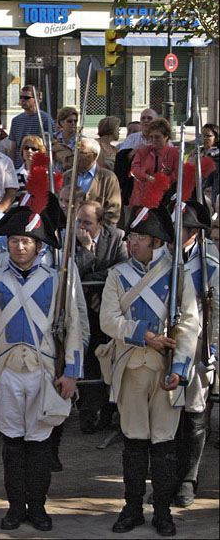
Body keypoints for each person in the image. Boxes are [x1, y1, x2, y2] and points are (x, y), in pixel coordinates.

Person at [0, 199, 83, 532]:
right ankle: (14, 507)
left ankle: (37, 507)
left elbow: (73, 328)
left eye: (26, 241)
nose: (19, 246)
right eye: (14, 241)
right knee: (12, 444)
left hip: (44, 373)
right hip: (7, 373)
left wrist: (71, 373)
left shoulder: (56, 280)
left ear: (37, 245)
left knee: (39, 445)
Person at [100, 197, 201, 536]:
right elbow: (108, 321)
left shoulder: (177, 273)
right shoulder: (118, 274)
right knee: (133, 443)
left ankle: (162, 511)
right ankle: (131, 509)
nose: (131, 243)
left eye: (138, 238)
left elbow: (189, 324)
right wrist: (145, 335)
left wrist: (181, 369)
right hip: (130, 367)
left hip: (166, 370)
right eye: (130, 237)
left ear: (156, 242)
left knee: (164, 444)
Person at [168, 200, 218, 508]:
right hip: (168, 345)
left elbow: (216, 313)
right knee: (167, 415)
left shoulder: (210, 263)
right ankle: (166, 478)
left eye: (183, 228)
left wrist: (212, 350)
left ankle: (188, 478)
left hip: (199, 345)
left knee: (195, 415)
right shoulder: (162, 260)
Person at [72, 201, 128, 434]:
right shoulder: (70, 239)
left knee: (109, 359)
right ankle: (88, 412)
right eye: (79, 221)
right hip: (83, 311)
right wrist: (85, 249)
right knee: (89, 361)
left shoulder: (116, 237)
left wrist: (96, 287)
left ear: (101, 223)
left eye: (87, 222)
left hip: (108, 308)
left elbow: (122, 268)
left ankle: (109, 411)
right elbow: (72, 269)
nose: (81, 227)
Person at [61, 138, 122, 226]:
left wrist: (96, 230)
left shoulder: (108, 178)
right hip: (69, 230)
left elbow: (113, 211)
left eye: (81, 153)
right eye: (74, 152)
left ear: (94, 156)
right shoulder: (67, 176)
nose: (75, 156)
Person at [129, 118, 179, 208]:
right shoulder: (143, 152)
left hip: (165, 200)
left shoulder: (175, 153)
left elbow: (177, 175)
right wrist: (147, 176)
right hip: (141, 199)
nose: (153, 140)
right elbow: (134, 169)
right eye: (151, 137)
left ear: (166, 136)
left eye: (157, 137)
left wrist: (162, 182)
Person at [7, 85, 55, 170]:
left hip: (38, 167)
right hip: (19, 167)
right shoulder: (16, 120)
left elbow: (50, 145)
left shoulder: (45, 119)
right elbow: (13, 147)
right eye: (21, 97)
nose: (23, 100)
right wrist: (11, 167)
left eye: (26, 97)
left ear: (36, 99)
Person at [51, 106, 81, 172]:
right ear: (61, 122)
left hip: (73, 177)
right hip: (55, 177)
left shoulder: (82, 140)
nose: (73, 123)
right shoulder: (52, 138)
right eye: (69, 121)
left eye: (75, 121)